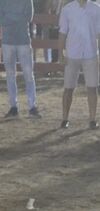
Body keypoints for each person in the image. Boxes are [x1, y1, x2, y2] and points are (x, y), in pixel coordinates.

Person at [58, 0, 100, 129]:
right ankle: (65, 118)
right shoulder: (67, 9)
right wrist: (60, 53)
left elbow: (99, 33)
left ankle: (92, 119)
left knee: (92, 88)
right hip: (72, 53)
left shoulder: (96, 9)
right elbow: (62, 33)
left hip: (90, 53)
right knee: (68, 88)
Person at [0, 0, 39, 117]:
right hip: (10, 41)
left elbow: (29, 17)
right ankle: (14, 106)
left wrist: (9, 18)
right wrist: (17, 17)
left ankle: (31, 106)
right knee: (11, 75)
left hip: (22, 41)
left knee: (28, 74)